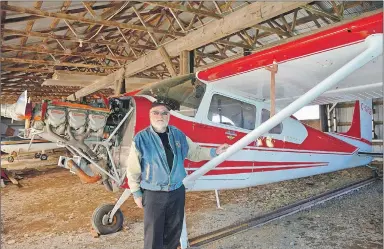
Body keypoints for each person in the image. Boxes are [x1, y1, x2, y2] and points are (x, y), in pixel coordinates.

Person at [126, 100, 229, 249]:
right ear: (150, 115)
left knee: (174, 232)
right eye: (156, 112)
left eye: (164, 113)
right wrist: (136, 192)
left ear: (169, 116)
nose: (160, 116)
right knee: (153, 236)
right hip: (154, 193)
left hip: (177, 191)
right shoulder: (141, 139)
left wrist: (214, 152)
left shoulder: (178, 135)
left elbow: (195, 152)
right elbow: (133, 169)